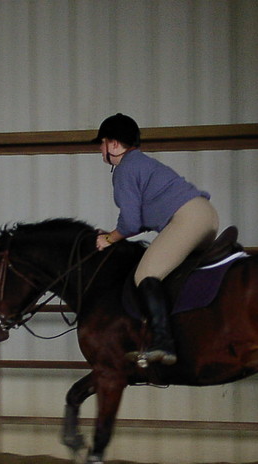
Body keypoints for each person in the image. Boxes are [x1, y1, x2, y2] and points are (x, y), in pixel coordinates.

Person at [93, 113, 219, 366]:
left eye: (102, 143)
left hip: (188, 220)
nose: (100, 149)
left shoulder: (124, 169)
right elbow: (138, 221)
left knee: (146, 274)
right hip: (206, 216)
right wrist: (116, 233)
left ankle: (163, 343)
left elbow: (130, 223)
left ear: (114, 144)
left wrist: (108, 238)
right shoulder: (143, 163)